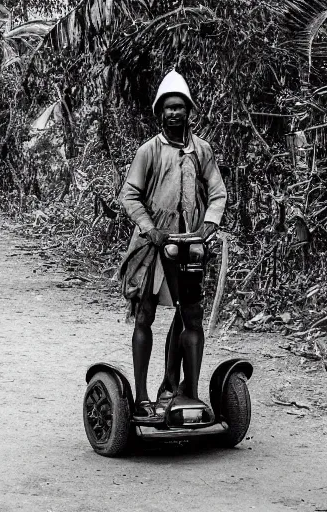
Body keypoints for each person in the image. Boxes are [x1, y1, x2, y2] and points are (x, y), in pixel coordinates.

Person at [118, 70, 227, 419]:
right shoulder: (148, 151)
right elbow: (130, 195)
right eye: (169, 108)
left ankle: (186, 393)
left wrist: (210, 222)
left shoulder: (202, 150)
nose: (175, 113)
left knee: (190, 317)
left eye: (180, 107)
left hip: (190, 246)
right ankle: (141, 397)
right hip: (152, 248)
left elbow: (218, 193)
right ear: (160, 112)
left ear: (188, 110)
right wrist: (149, 228)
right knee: (145, 316)